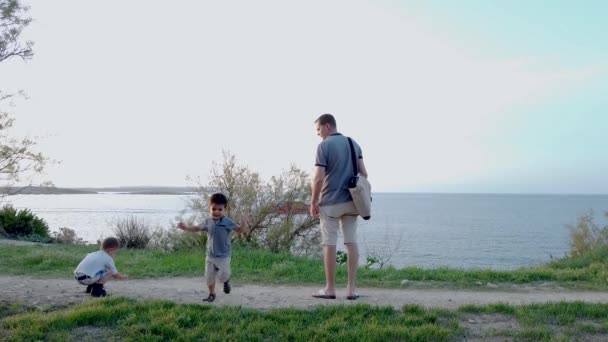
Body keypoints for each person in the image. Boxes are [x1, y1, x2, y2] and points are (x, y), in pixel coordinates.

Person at [310, 113, 368, 300]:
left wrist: (313, 201)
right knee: (351, 242)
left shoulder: (324, 146)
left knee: (329, 243)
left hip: (330, 202)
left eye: (318, 129)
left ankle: (330, 289)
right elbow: (364, 174)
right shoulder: (354, 143)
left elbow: (318, 177)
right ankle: (351, 290)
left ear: (327, 126)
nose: (318, 134)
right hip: (352, 202)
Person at [177, 192, 249, 303]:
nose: (216, 212)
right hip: (210, 255)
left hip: (224, 255)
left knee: (223, 275)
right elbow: (197, 228)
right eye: (214, 209)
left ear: (224, 209)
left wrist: (243, 223)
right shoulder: (208, 221)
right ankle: (211, 294)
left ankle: (226, 281)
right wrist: (185, 228)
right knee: (209, 277)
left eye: (220, 209)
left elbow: (239, 230)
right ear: (209, 208)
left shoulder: (227, 222)